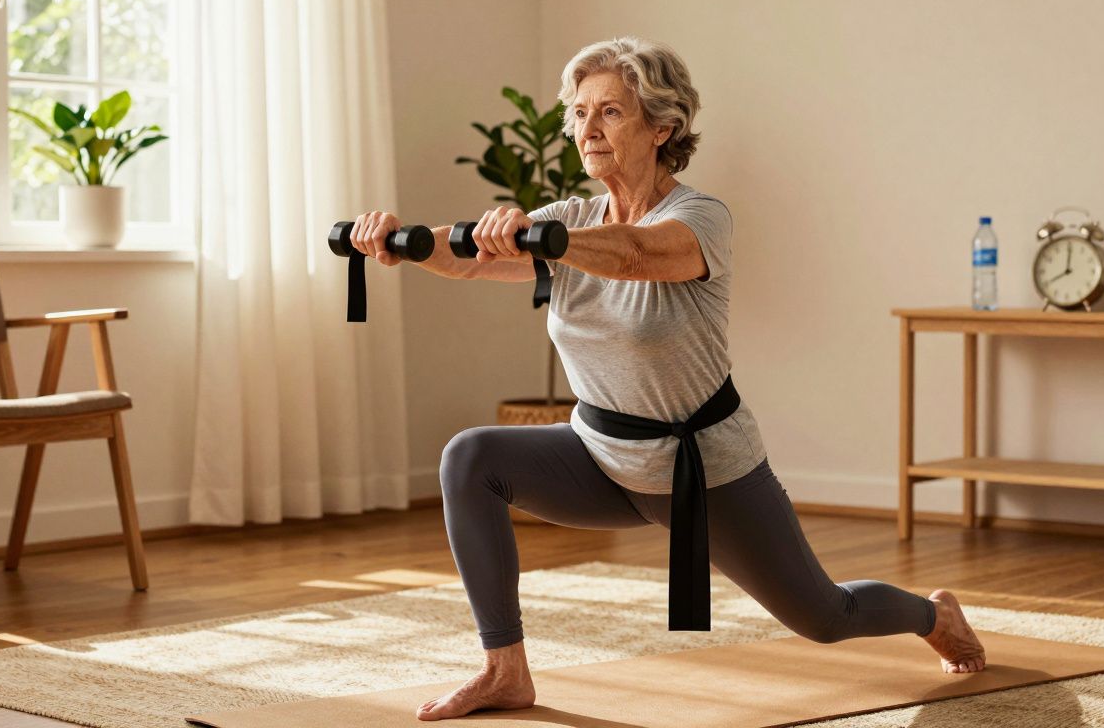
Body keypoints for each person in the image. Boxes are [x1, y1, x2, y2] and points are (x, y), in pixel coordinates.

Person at [348, 36, 986, 723]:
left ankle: (932, 613)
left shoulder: (699, 218)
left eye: (611, 113)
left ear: (663, 126)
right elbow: (467, 258)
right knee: (469, 458)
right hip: (599, 459)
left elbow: (633, 255)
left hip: (703, 475)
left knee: (827, 615)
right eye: (580, 113)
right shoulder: (568, 220)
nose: (587, 129)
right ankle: (505, 671)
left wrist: (541, 239)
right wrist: (396, 241)